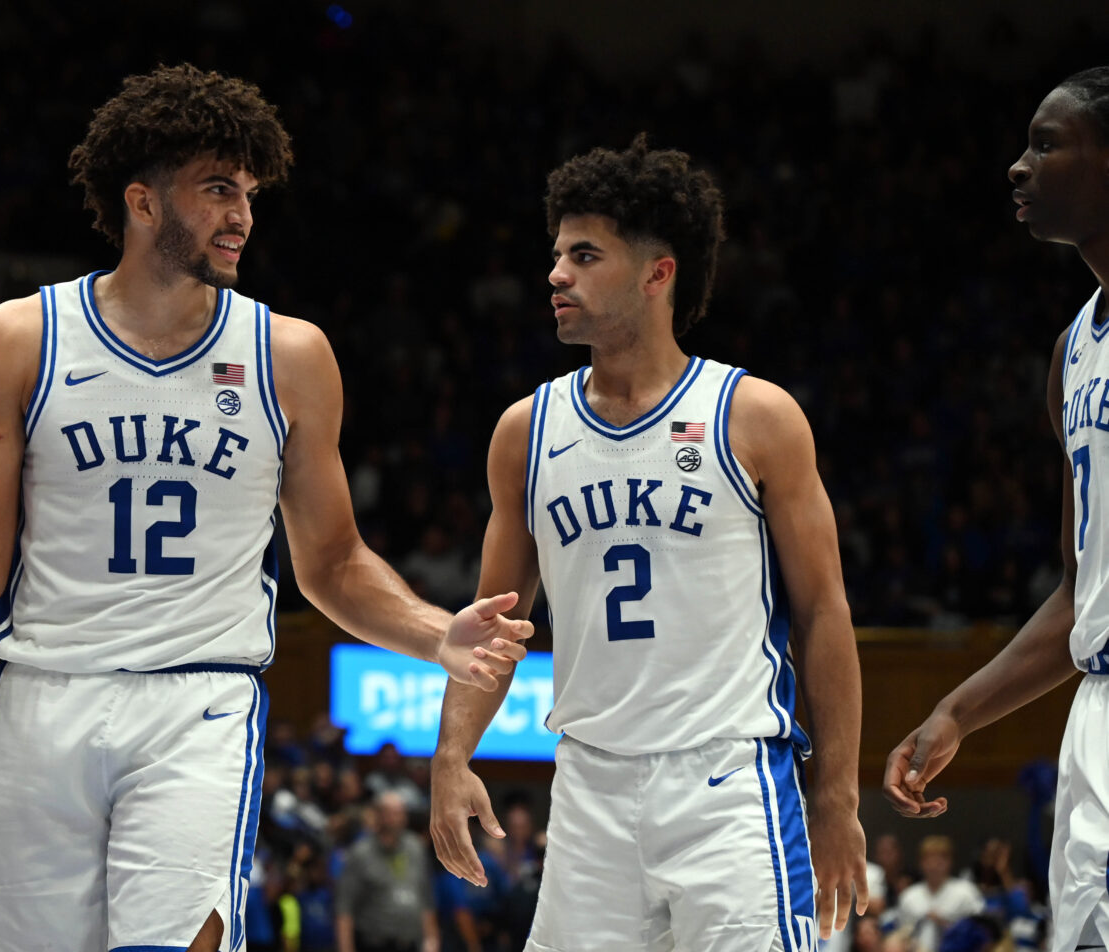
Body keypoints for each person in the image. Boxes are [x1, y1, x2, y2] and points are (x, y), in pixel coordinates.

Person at [0, 63, 531, 952]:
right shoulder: (22, 337)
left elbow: (335, 564)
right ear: (143, 201)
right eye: (216, 189)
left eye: (247, 191)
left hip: (196, 702)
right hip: (48, 693)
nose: (241, 213)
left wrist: (437, 636)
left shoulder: (290, 355)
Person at [427, 136, 868, 950]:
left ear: (658, 272)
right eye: (557, 253)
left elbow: (824, 614)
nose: (556, 274)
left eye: (585, 255)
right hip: (590, 784)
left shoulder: (755, 417)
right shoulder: (526, 432)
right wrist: (452, 756)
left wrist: (835, 799)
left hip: (729, 785)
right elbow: (494, 627)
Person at [883, 66, 1109, 952]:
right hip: (1094, 717)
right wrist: (957, 712)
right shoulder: (1072, 354)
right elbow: (1077, 591)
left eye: (1047, 144)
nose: (1018, 167)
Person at [335, 791, 440, 952]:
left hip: (410, 944)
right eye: (394, 813)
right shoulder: (360, 854)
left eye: (402, 812)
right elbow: (345, 909)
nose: (400, 818)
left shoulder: (416, 848)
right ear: (380, 815)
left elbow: (426, 899)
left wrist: (432, 940)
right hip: (375, 944)